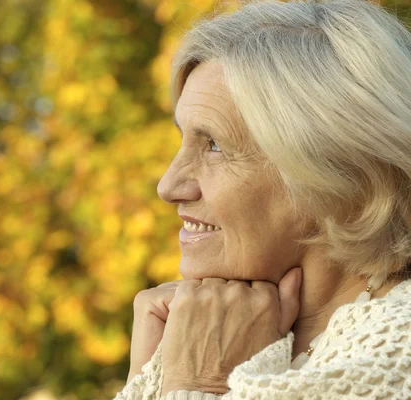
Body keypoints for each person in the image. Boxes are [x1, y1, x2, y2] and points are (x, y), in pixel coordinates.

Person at [114, 0, 411, 398]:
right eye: (182, 140)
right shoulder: (195, 330)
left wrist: (197, 385)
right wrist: (147, 376)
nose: (168, 186)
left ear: (334, 168)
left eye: (215, 145)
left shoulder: (392, 358)